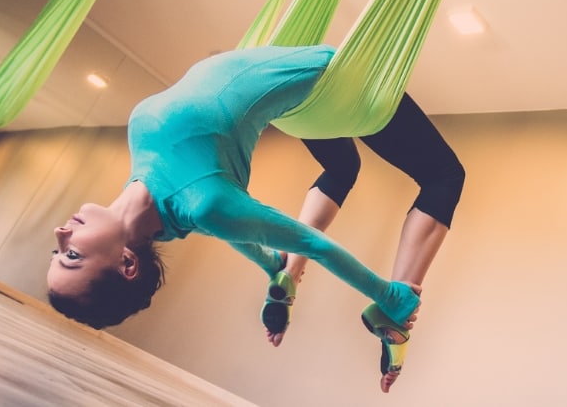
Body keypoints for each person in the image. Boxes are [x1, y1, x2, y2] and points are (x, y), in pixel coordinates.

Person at [46, 45, 423, 356]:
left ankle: (280, 279)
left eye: (56, 252)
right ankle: (378, 310)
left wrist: (272, 266)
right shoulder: (204, 204)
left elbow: (229, 232)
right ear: (127, 262)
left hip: (282, 74)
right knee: (444, 175)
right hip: (331, 76)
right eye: (72, 256)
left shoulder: (166, 206)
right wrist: (388, 295)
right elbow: (312, 243)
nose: (61, 234)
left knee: (344, 168)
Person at [260, 94, 465, 393]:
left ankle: (289, 273)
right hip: (353, 87)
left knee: (342, 169)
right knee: (445, 176)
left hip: (292, 100)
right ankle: (397, 308)